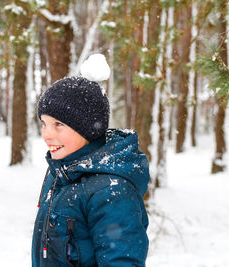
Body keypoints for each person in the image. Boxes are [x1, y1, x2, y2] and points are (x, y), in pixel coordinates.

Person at [32, 57, 150, 267]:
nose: (47, 135)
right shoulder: (59, 173)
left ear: (87, 129)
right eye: (44, 123)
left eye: (58, 124)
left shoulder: (110, 191)